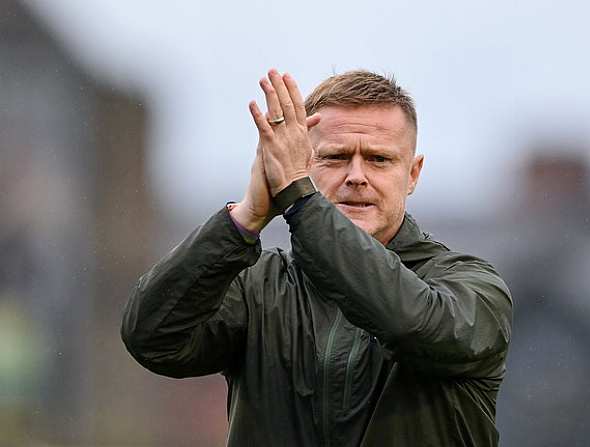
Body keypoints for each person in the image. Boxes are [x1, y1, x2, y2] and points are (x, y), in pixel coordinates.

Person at [121, 69, 513, 446]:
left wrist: (300, 200)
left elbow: (413, 325)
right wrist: (245, 219)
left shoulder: (471, 286)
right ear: (303, 165)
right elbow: (153, 338)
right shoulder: (260, 285)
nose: (357, 176)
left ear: (413, 174)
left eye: (379, 159)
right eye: (336, 157)